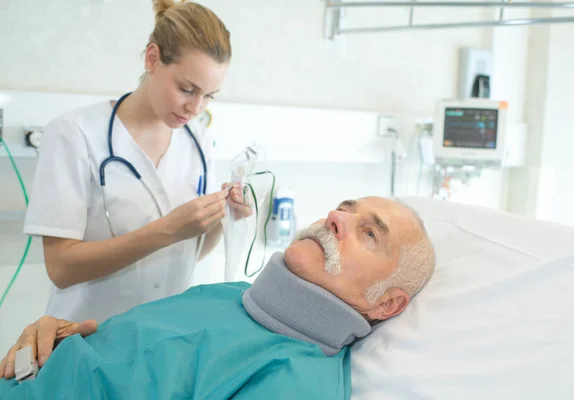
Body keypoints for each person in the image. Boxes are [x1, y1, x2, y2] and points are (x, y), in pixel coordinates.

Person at [0, 196, 436, 399]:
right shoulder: (232, 295)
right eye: (346, 207)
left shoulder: (297, 383)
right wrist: (56, 342)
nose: (337, 217)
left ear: (387, 305)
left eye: (369, 232)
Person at [22, 0, 251, 325]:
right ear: (152, 58)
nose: (196, 108)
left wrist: (219, 218)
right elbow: (61, 268)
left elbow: (188, 253)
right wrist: (169, 230)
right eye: (187, 89)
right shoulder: (74, 134)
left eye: (210, 95)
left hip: (159, 342)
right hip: (84, 341)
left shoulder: (197, 139)